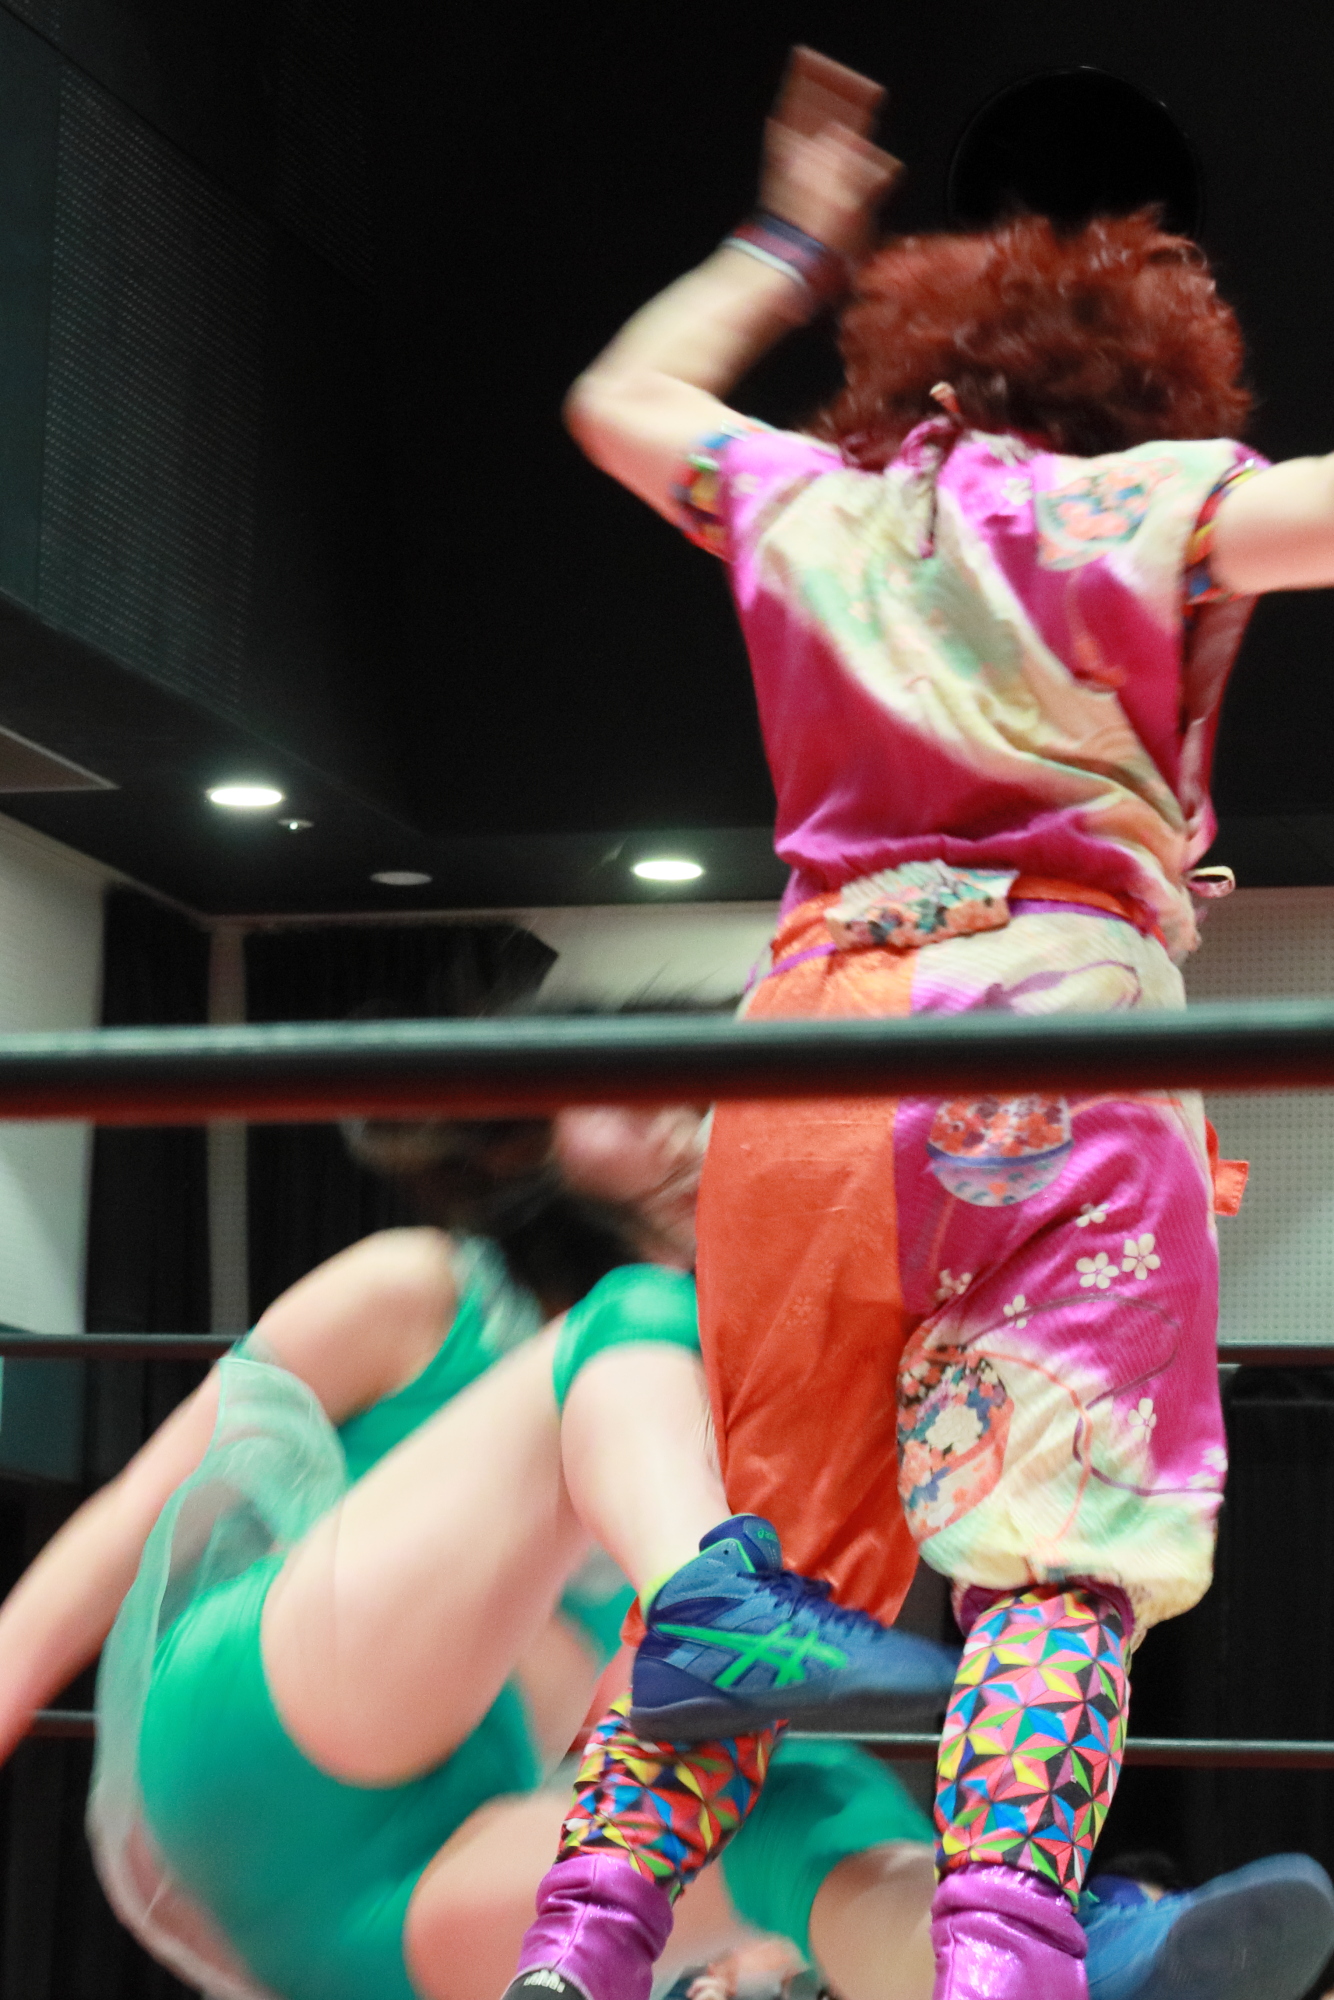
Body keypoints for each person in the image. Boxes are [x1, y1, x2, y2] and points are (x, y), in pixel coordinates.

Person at [534, 37, 1334, 2000]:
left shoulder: (809, 501)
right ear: (1143, 373)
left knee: (749, 1591)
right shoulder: (1135, 499)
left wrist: (790, 236)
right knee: (1057, 1562)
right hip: (1057, 1060)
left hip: (805, 1065)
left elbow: (618, 401)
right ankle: (1003, 1959)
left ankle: (580, 1948)